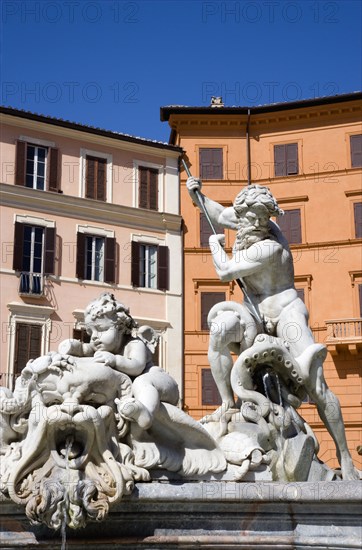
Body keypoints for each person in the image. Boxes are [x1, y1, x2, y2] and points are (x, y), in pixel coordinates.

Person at [187, 177, 359, 480]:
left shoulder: (268, 246)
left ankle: (344, 457)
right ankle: (228, 404)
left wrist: (214, 244)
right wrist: (197, 193)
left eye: (264, 217)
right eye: (252, 216)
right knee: (220, 331)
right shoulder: (244, 221)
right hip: (254, 313)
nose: (258, 222)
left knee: (315, 383)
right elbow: (216, 213)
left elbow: (225, 270)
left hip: (285, 312)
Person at [58, 292, 179, 430]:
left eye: (102, 329)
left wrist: (115, 360)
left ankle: (146, 414)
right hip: (133, 390)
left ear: (121, 328)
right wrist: (72, 347)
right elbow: (85, 350)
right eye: (91, 333)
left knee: (141, 382)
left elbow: (137, 366)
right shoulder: (101, 347)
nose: (95, 337)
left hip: (162, 384)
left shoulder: (134, 344)